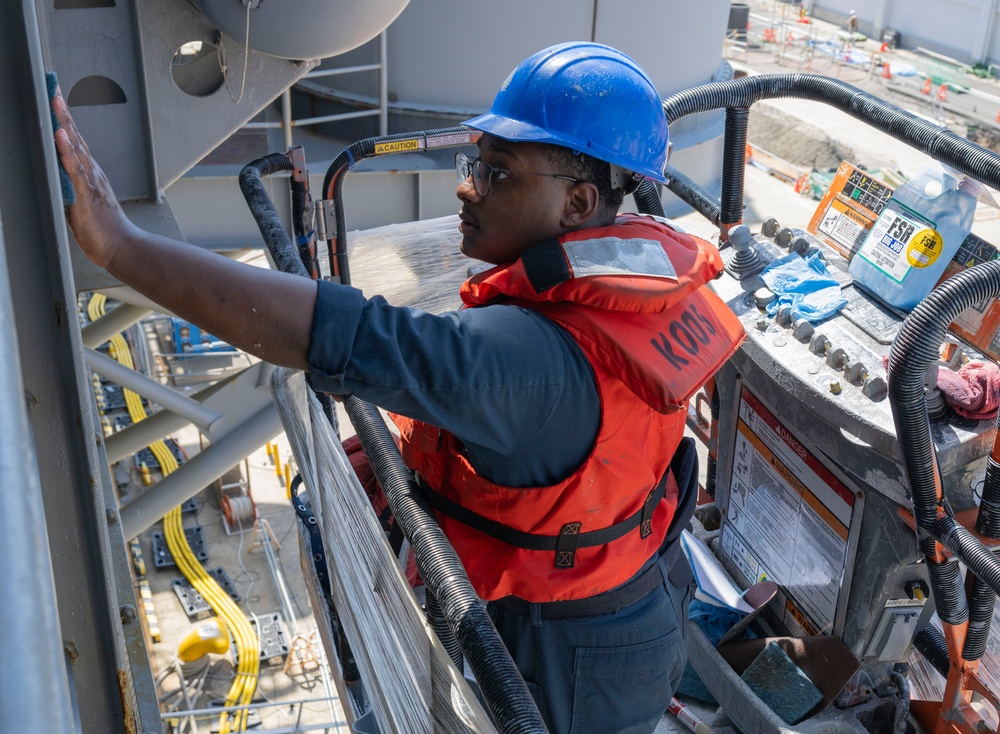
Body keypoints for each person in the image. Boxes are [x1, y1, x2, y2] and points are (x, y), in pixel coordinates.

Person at [55, 42, 743, 734]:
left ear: (579, 203)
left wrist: (121, 247)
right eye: (473, 163)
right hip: (633, 598)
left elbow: (335, 332)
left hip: (576, 666)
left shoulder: (529, 363)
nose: (465, 187)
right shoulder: (631, 270)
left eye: (496, 173)